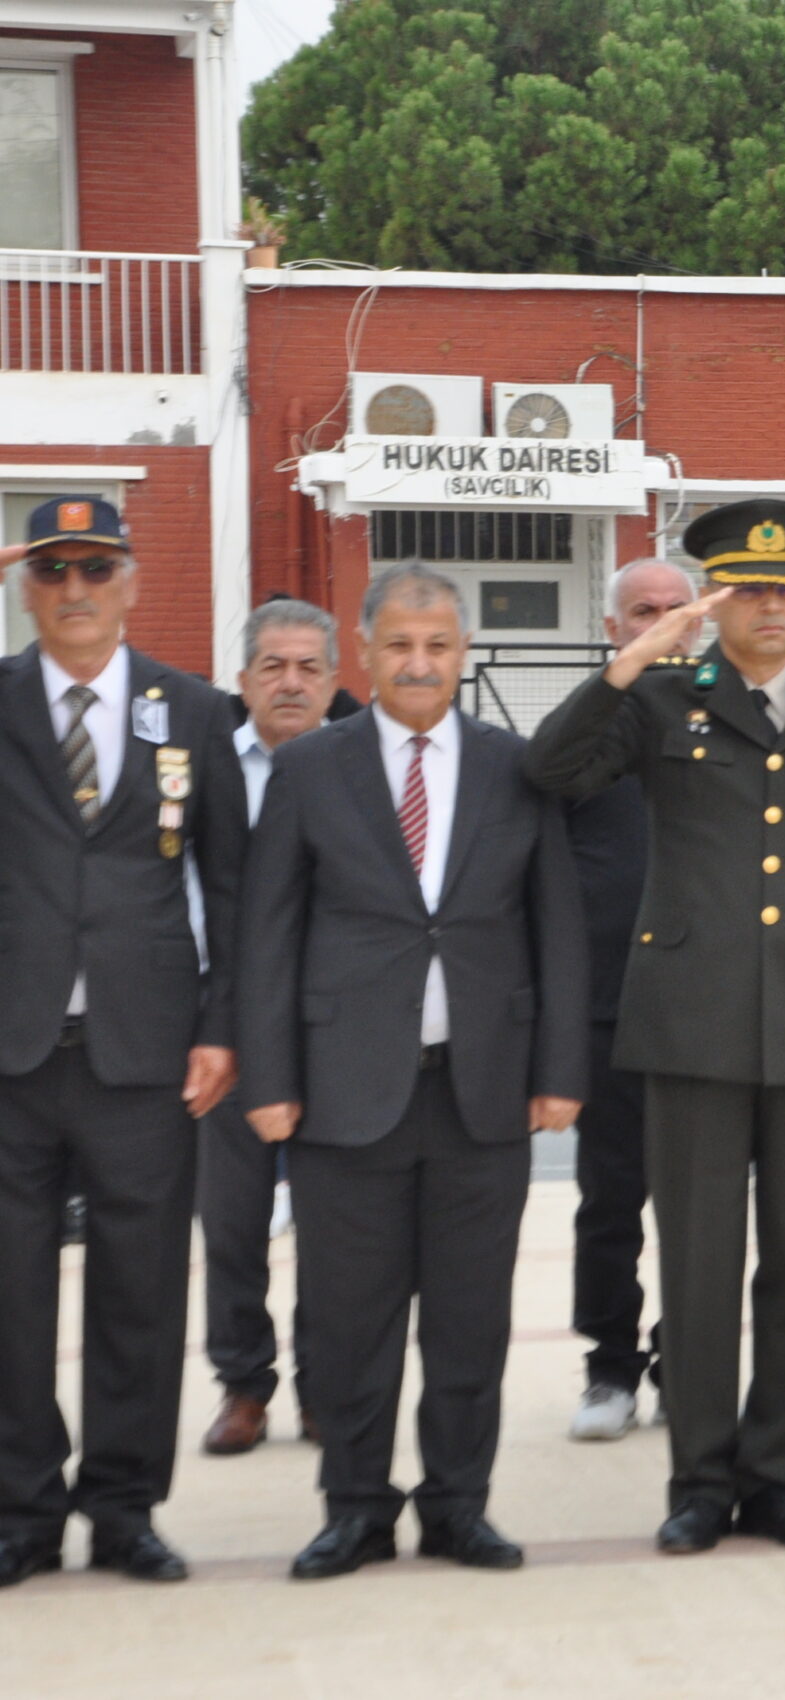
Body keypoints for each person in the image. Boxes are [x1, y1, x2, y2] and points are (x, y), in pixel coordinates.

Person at [525, 498, 785, 1556]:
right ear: (717, 600)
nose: (771, 606)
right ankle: (699, 1478)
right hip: (688, 1025)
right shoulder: (662, 703)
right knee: (696, 1262)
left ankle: (776, 1475)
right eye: (749, 589)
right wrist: (637, 655)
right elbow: (550, 769)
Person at [239, 567, 585, 1580]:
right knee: (349, 1320)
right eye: (399, 645)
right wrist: (270, 1077)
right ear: (365, 651)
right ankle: (354, 1506)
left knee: (471, 1315)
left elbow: (555, 925)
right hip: (345, 1090)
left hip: (483, 1088)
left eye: (437, 643)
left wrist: (559, 1067)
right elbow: (269, 935)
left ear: (462, 649)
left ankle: (456, 1503)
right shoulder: (311, 769)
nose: (420, 662)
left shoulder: (514, 766)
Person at [0, 498, 247, 1588]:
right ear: (25, 586)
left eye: (96, 566)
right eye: (53, 570)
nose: (75, 588)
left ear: (133, 581)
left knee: (140, 1289)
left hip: (147, 1050)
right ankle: (21, 1509)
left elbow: (233, 886)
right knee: (9, 1295)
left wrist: (224, 1024)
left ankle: (125, 1505)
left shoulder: (191, 708)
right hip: (9, 1048)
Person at [199, 598, 339, 1459]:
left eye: (307, 668)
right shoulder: (205, 764)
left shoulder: (365, 764)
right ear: (244, 678)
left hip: (335, 1034)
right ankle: (243, 1385)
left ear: (333, 679)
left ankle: (326, 1386)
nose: (290, 684)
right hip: (226, 1032)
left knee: (335, 1224)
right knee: (233, 1220)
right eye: (272, 667)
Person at [566, 560, 696, 1442]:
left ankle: (687, 1363)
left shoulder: (738, 715)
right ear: (613, 629)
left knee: (703, 1206)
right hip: (608, 1009)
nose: (659, 624)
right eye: (641, 612)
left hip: (711, 1012)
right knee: (610, 1203)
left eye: (674, 611)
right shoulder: (586, 727)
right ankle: (610, 1369)